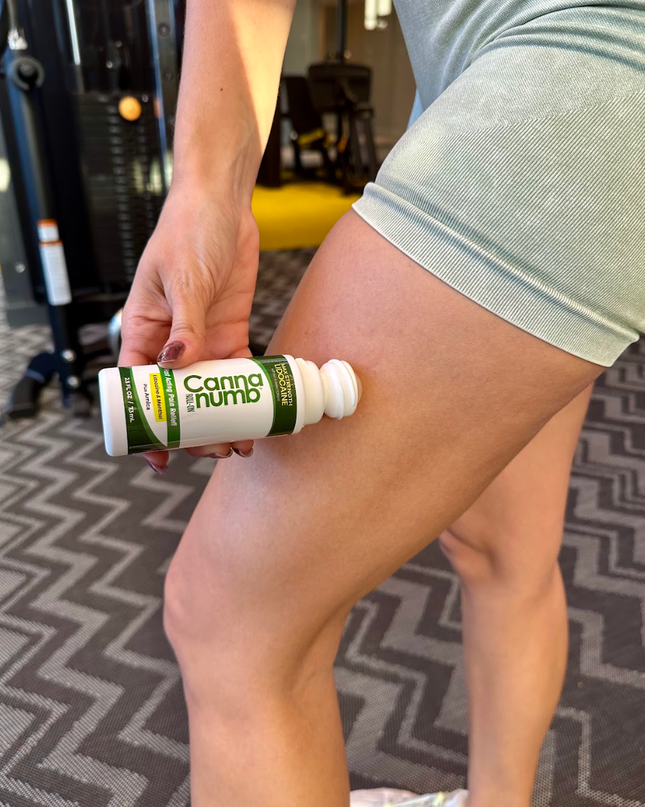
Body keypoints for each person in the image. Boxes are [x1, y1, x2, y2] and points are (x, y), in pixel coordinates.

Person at [118, 1, 645, 805]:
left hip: (575, 79)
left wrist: (205, 187)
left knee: (229, 621)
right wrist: (206, 191)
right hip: (500, 81)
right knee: (502, 551)